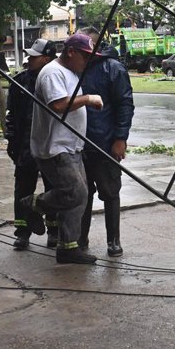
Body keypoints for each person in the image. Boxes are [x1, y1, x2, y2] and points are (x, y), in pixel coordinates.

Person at [29, 33, 103, 264]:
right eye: (85, 56)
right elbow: (59, 105)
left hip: (72, 146)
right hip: (56, 147)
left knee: (81, 196)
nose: (88, 61)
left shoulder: (70, 73)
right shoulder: (52, 73)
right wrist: (88, 99)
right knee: (76, 192)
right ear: (71, 52)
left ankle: (68, 247)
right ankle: (33, 204)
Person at [77, 27, 134, 257]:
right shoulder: (76, 68)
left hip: (105, 142)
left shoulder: (113, 68)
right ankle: (80, 239)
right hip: (79, 144)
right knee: (82, 194)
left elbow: (125, 105)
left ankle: (114, 240)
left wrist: (120, 138)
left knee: (110, 193)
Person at [5, 38, 58, 250]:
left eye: (34, 57)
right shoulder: (20, 82)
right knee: (23, 189)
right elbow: (11, 116)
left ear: (46, 59)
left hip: (49, 145)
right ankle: (22, 232)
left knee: (53, 188)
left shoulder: (56, 79)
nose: (29, 60)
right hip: (26, 146)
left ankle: (54, 230)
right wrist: (12, 142)